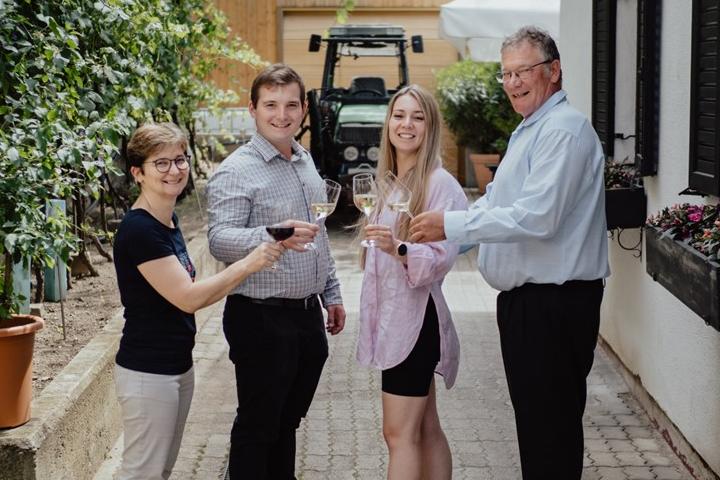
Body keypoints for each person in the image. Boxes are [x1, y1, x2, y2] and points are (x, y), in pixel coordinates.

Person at [409, 26, 610, 480]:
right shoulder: (531, 129)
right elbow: (497, 205)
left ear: (554, 71)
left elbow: (538, 217)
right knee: (537, 429)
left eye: (525, 71)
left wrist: (450, 224)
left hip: (554, 305)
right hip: (529, 305)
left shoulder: (562, 130)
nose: (514, 82)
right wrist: (426, 242)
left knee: (551, 430)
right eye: (507, 74)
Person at [113, 122, 283, 480]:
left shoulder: (167, 221)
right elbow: (188, 298)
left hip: (176, 366)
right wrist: (249, 263)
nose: (174, 170)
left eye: (180, 160)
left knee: (160, 471)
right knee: (142, 473)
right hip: (148, 373)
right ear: (137, 173)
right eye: (161, 163)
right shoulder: (140, 230)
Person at [206, 63, 346, 480]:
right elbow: (218, 239)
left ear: (304, 108)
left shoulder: (304, 162)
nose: (281, 115)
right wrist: (272, 236)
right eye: (270, 105)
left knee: (286, 425)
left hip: (306, 318)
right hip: (259, 317)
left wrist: (332, 294)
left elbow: (319, 238)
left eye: (290, 105)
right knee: (257, 427)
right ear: (252, 108)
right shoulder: (237, 169)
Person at [357, 84, 467, 480]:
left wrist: (399, 249)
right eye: (399, 115)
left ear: (430, 127)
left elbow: (443, 257)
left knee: (397, 434)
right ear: (388, 123)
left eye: (417, 117)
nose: (406, 124)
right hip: (397, 323)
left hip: (415, 324)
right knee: (423, 428)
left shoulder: (439, 185)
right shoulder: (389, 183)